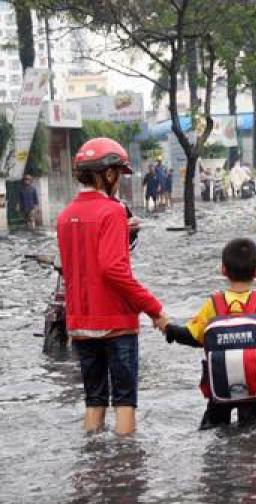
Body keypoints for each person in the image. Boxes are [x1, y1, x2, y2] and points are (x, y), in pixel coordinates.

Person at [57, 137, 167, 436]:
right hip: (116, 323)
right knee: (124, 402)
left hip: (80, 323)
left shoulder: (65, 215)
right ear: (108, 174)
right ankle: (125, 470)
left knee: (93, 401)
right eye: (118, 173)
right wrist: (154, 309)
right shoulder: (113, 211)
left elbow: (79, 266)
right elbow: (113, 269)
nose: (119, 181)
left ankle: (95, 464)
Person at [161, 238, 256, 429]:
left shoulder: (214, 303)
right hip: (255, 383)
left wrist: (170, 329)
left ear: (223, 270)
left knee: (214, 430)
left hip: (219, 382)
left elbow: (193, 337)